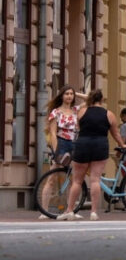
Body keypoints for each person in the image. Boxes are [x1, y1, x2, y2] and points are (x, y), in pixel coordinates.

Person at [58, 90, 126, 221]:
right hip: (100, 145)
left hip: (83, 145)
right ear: (102, 100)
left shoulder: (82, 112)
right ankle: (93, 212)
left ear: (91, 99)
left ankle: (69, 210)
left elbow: (78, 127)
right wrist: (122, 145)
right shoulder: (109, 114)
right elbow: (115, 134)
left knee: (77, 180)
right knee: (95, 180)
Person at [39, 86, 84, 219]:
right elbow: (53, 133)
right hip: (61, 143)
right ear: (61, 96)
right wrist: (56, 150)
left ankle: (70, 210)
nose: (69, 96)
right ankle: (44, 211)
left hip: (74, 144)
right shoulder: (56, 112)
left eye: (71, 94)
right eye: (66, 94)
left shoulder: (76, 110)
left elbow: (90, 99)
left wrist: (78, 93)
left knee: (73, 179)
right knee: (52, 178)